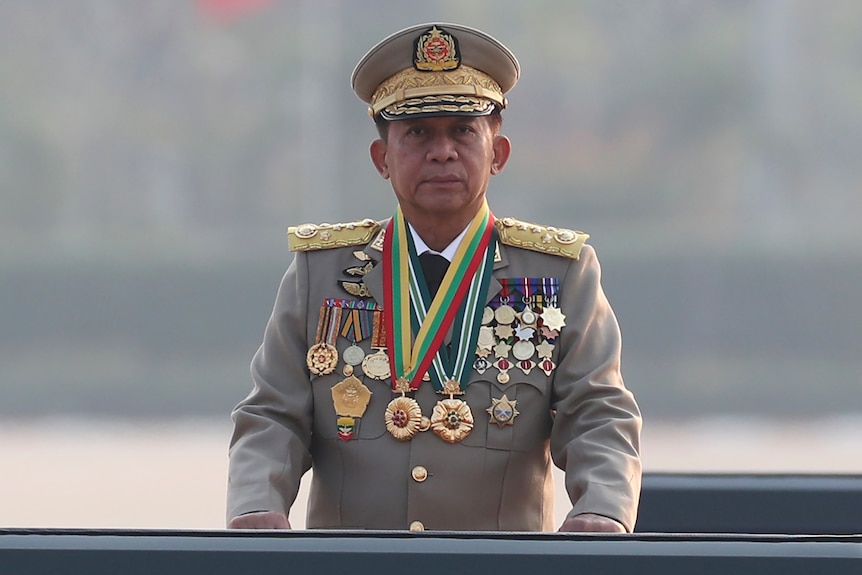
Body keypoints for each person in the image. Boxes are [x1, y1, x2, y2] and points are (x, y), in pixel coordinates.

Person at [227, 22, 641, 533]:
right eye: (418, 133)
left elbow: (599, 414)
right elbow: (273, 415)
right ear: (382, 158)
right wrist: (255, 503)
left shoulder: (557, 273)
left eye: (463, 131)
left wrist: (603, 509)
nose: (442, 152)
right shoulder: (323, 272)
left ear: (499, 154)